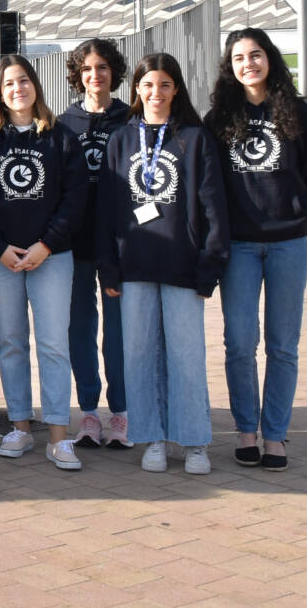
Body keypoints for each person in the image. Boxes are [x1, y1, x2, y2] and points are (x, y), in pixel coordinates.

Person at [98, 52, 229, 475]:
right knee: (139, 355)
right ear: (137, 89)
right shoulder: (121, 140)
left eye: (165, 85)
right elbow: (106, 210)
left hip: (183, 267)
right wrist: (108, 267)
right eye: (148, 85)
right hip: (133, 267)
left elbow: (213, 208)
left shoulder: (194, 138)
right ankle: (152, 437)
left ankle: (193, 441)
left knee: (186, 355)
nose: (156, 93)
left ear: (176, 90)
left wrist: (210, 266)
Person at [206, 28, 307, 473]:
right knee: (239, 343)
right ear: (230, 68)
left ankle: (274, 434)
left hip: (288, 245)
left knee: (282, 346)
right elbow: (211, 183)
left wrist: (293, 212)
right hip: (238, 247)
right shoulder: (219, 119)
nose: (248, 64)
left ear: (270, 58)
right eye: (239, 58)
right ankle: (246, 431)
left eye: (255, 55)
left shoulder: (300, 114)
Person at [0, 53, 90, 471]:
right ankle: (19, 426)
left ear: (35, 85)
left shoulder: (60, 137)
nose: (17, 89)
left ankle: (57, 436)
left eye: (23, 81)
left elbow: (74, 199)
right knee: (11, 341)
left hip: (51, 257)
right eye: (9, 83)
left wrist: (46, 245)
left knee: (53, 344)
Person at [57, 38, 132, 451]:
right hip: (74, 244)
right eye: (87, 68)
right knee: (79, 328)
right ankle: (88, 412)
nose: (95, 75)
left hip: (119, 244)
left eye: (102, 67)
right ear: (77, 74)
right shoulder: (63, 123)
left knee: (118, 332)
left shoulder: (130, 119)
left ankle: (121, 412)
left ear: (113, 72)